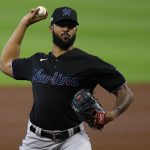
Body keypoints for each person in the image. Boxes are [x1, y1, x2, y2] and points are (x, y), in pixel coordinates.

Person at [0, 6, 134, 150]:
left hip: (73, 139)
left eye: (70, 26)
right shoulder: (36, 62)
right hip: (36, 140)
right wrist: (24, 23)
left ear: (76, 30)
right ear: (51, 28)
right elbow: (5, 64)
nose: (66, 29)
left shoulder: (89, 63)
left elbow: (126, 93)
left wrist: (112, 114)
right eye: (61, 25)